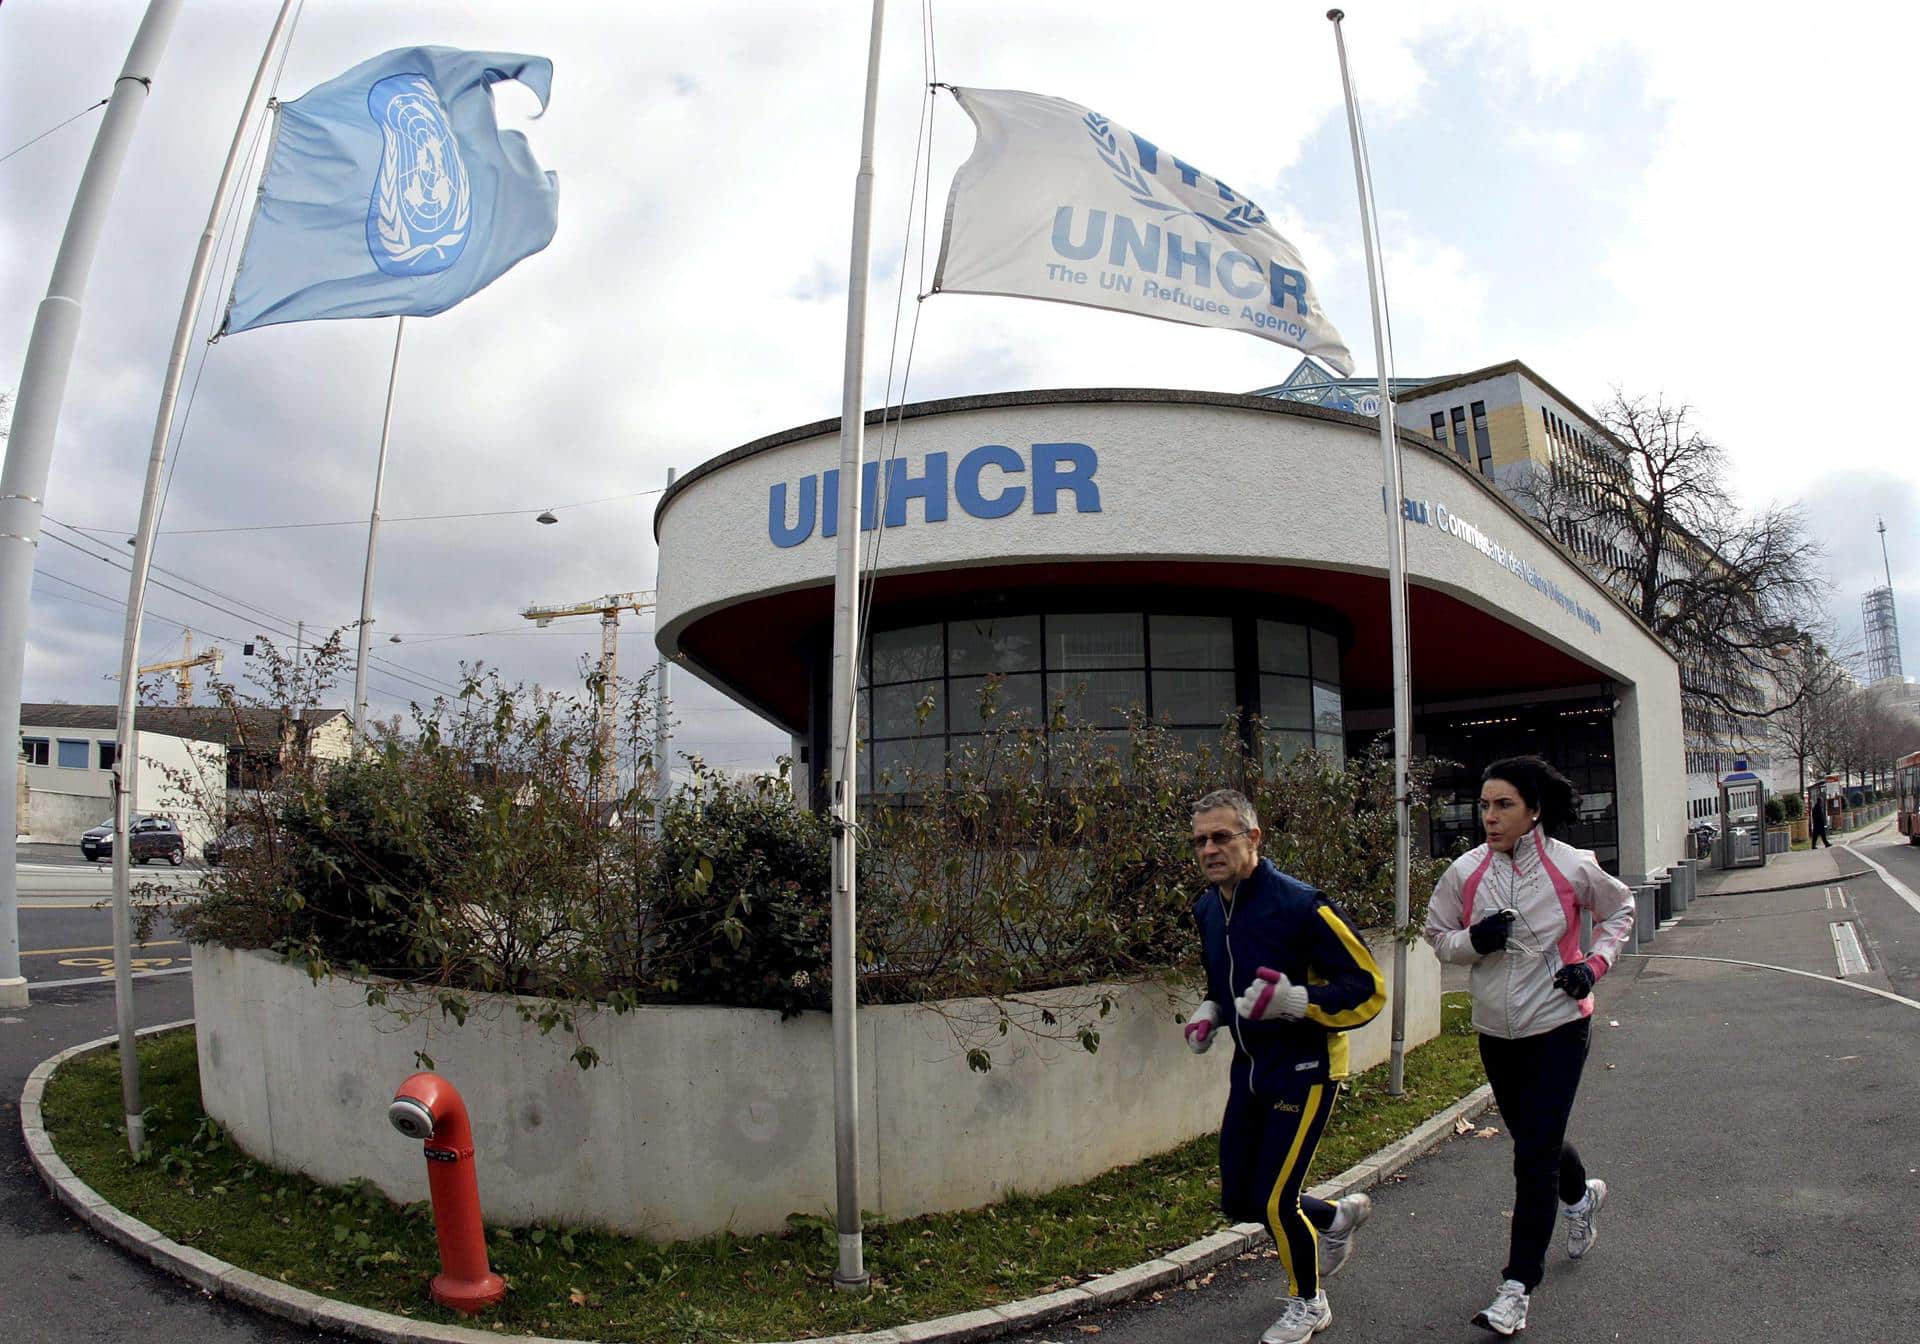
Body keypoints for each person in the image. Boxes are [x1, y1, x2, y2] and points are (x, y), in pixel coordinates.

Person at [1424, 756, 1636, 1337]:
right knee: (1536, 1143)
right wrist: (1473, 941)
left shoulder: (1572, 866)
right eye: (1484, 805)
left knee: (1531, 1157)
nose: (1489, 817)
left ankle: (1516, 1286)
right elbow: (1436, 934)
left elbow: (1622, 910)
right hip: (1497, 1033)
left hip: (1560, 1027)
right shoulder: (1464, 873)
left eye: (1503, 805)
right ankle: (1581, 1196)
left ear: (1533, 810)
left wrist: (1592, 965)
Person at [1183, 787, 1387, 1344]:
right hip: (1249, 1069)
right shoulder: (1208, 907)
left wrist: (1295, 1001)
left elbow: (1368, 991)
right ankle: (1334, 1218)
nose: (1209, 849)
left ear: (1253, 838)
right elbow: (1223, 985)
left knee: (1276, 1198)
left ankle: (1308, 1303)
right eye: (1200, 840)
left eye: (1221, 836)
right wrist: (1210, 1014)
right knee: (1240, 1200)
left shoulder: (1302, 904)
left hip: (1308, 1068)